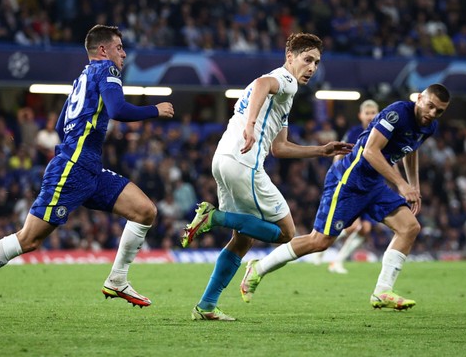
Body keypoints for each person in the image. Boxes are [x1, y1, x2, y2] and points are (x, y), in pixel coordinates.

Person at [0, 24, 175, 324]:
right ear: (103, 50)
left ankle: (117, 279)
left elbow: (60, 123)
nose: (124, 53)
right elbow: (117, 109)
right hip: (74, 168)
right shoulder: (106, 71)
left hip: (88, 167)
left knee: (145, 211)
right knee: (29, 239)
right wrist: (154, 110)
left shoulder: (81, 78)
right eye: (119, 47)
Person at [180, 33, 353, 321]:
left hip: (223, 159)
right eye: (306, 60)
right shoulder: (282, 79)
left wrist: (320, 150)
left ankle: (206, 305)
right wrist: (250, 126)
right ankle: (214, 218)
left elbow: (279, 147)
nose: (311, 68)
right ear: (290, 57)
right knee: (287, 234)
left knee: (242, 240)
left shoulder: (284, 94)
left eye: (316, 62)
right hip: (244, 163)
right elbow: (263, 84)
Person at [240, 84, 451, 310]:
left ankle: (382, 292)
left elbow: (411, 150)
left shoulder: (429, 127)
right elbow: (370, 152)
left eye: (438, 111)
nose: (432, 113)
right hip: (349, 180)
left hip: (374, 184)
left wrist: (413, 186)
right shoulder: (397, 113)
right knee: (319, 241)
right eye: (430, 106)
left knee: (410, 227)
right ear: (419, 98)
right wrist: (400, 184)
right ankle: (258, 267)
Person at [312, 99, 380, 274]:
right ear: (360, 115)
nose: (371, 116)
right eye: (368, 112)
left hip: (371, 185)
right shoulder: (354, 133)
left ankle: (337, 261)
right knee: (352, 226)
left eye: (374, 112)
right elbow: (340, 155)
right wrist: (335, 174)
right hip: (352, 185)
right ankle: (321, 244)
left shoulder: (384, 133)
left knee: (365, 228)